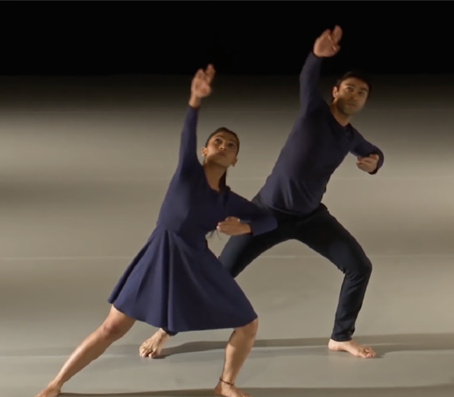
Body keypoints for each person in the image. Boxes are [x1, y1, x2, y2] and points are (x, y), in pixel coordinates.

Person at [29, 64, 277, 397]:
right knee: (112, 328)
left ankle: (225, 384)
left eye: (230, 145)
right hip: (159, 254)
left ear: (235, 160)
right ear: (205, 151)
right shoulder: (187, 174)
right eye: (217, 141)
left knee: (248, 324)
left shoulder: (228, 201)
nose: (223, 145)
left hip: (196, 262)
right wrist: (194, 101)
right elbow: (187, 134)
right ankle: (57, 383)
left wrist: (246, 227)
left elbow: (269, 222)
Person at [140, 26, 385, 360]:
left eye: (362, 93)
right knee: (217, 273)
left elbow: (374, 153)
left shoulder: (350, 137)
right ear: (335, 91)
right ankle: (165, 329)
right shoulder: (314, 111)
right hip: (268, 212)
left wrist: (374, 164)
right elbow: (306, 78)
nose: (355, 96)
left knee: (360, 266)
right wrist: (316, 55)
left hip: (311, 217)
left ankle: (340, 336)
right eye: (350, 89)